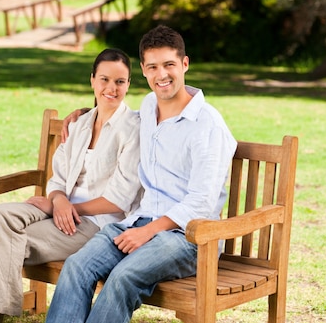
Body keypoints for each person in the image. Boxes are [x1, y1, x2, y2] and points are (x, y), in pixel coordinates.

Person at [45, 25, 237, 323]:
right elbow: (115, 113)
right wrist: (84, 113)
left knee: (122, 277)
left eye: (169, 65)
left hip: (190, 238)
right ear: (145, 72)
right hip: (137, 223)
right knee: (77, 266)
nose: (162, 75)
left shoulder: (207, 125)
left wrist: (148, 232)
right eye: (153, 67)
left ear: (185, 64)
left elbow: (201, 203)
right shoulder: (149, 108)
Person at [0, 48, 142, 323]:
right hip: (60, 209)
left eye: (120, 81)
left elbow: (119, 200)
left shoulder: (133, 129)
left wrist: (68, 207)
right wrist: (57, 199)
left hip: (94, 223)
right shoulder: (79, 124)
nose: (111, 88)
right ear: (92, 80)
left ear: (128, 85)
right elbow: (57, 178)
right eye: (104, 79)